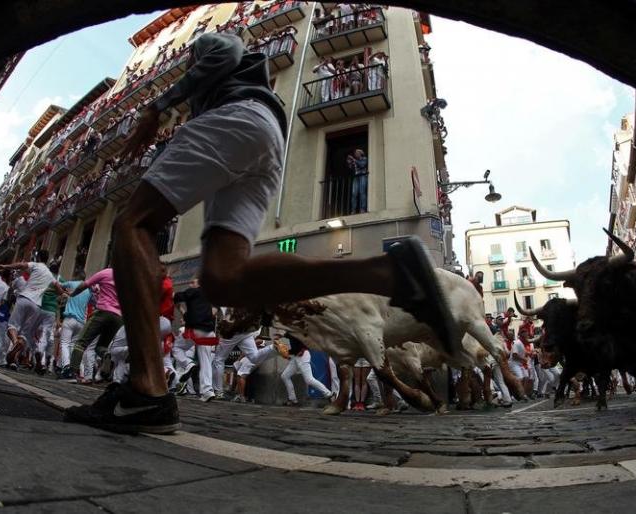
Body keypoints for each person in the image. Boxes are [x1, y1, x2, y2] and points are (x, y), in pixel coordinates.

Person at [65, 32, 459, 434]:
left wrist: (158, 106)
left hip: (236, 120)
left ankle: (145, 388)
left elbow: (228, 49)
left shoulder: (211, 40)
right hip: (262, 138)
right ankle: (389, 274)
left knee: (134, 223)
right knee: (223, 279)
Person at [0, 250, 66, 370]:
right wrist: (65, 294)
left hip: (24, 299)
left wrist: (6, 266)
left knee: (12, 327)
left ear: (38, 257)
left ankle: (14, 343)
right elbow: (60, 290)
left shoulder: (36, 265)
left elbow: (20, 265)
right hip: (37, 307)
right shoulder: (50, 275)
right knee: (25, 335)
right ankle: (14, 359)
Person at [68, 268, 123, 381]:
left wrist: (72, 294)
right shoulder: (126, 279)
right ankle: (106, 355)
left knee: (81, 343)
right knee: (101, 346)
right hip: (117, 317)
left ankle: (72, 373)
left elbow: (83, 285)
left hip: (102, 313)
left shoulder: (106, 272)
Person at [171, 279, 218, 402]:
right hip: (208, 330)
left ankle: (188, 364)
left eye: (193, 282)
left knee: (176, 347)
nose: (190, 284)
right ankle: (207, 391)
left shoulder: (194, 291)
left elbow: (176, 297)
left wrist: (178, 306)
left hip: (195, 329)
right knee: (206, 361)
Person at [280, 333, 333, 406]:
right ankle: (292, 399)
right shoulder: (291, 332)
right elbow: (295, 346)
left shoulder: (295, 330)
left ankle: (329, 394)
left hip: (303, 356)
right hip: (296, 357)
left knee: (309, 379)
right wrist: (285, 352)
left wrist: (282, 335)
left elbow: (296, 336)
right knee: (285, 376)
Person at [58, 270, 93, 379]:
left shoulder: (72, 284)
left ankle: (66, 366)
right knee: (73, 345)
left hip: (70, 319)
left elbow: (59, 284)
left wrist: (64, 291)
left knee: (64, 343)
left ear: (76, 276)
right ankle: (76, 370)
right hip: (81, 322)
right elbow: (93, 302)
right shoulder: (88, 290)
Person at [350, 148, 368, 213]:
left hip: (362, 175)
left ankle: (362, 209)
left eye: (357, 153)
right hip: (356, 177)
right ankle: (353, 210)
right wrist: (350, 163)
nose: (355, 154)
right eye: (355, 153)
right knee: (354, 194)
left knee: (362, 192)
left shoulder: (364, 158)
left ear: (360, 153)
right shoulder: (355, 161)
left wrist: (354, 160)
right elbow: (351, 169)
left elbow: (362, 165)